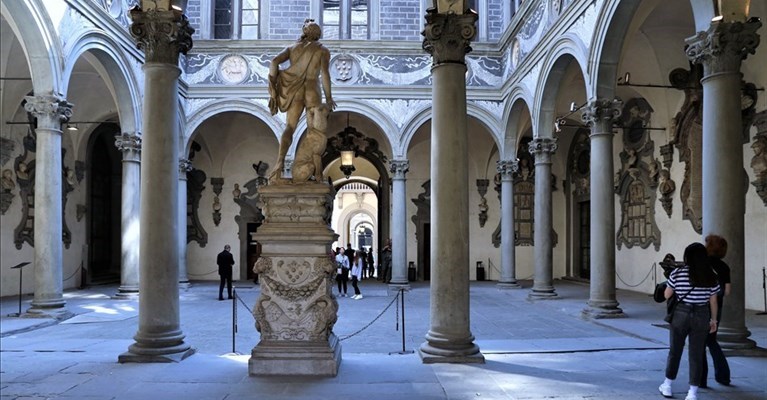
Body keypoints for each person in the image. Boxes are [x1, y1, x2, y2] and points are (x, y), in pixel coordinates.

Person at [267, 19, 336, 181]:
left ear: (305, 32)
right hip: (312, 90)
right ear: (317, 34)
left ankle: (279, 163)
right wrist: (329, 97)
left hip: (294, 89)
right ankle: (317, 173)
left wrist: (273, 90)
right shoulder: (323, 50)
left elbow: (274, 62)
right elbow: (325, 74)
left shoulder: (292, 49)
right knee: (315, 132)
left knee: (290, 127)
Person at [659, 242, 720, 400]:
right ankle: (692, 392)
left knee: (675, 351)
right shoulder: (711, 275)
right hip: (702, 314)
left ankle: (668, 385)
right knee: (697, 354)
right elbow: (713, 301)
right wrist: (713, 320)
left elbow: (666, 295)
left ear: (687, 256)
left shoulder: (678, 273)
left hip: (681, 314)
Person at [700, 234, 732, 387]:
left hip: (701, 307)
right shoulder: (724, 266)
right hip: (717, 308)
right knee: (712, 342)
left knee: (699, 343)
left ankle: (701, 380)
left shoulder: (701, 263)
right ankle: (723, 376)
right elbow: (727, 291)